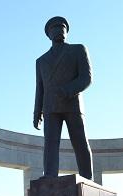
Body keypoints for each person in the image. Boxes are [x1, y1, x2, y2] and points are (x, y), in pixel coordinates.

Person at [33, 16, 93, 180]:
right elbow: (40, 88)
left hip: (72, 103)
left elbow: (86, 78)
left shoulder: (78, 49)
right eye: (55, 28)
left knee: (79, 142)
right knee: (50, 144)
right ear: (49, 34)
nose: (60, 30)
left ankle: (87, 178)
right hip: (50, 107)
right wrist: (37, 112)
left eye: (62, 27)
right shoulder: (41, 61)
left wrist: (67, 90)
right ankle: (50, 175)